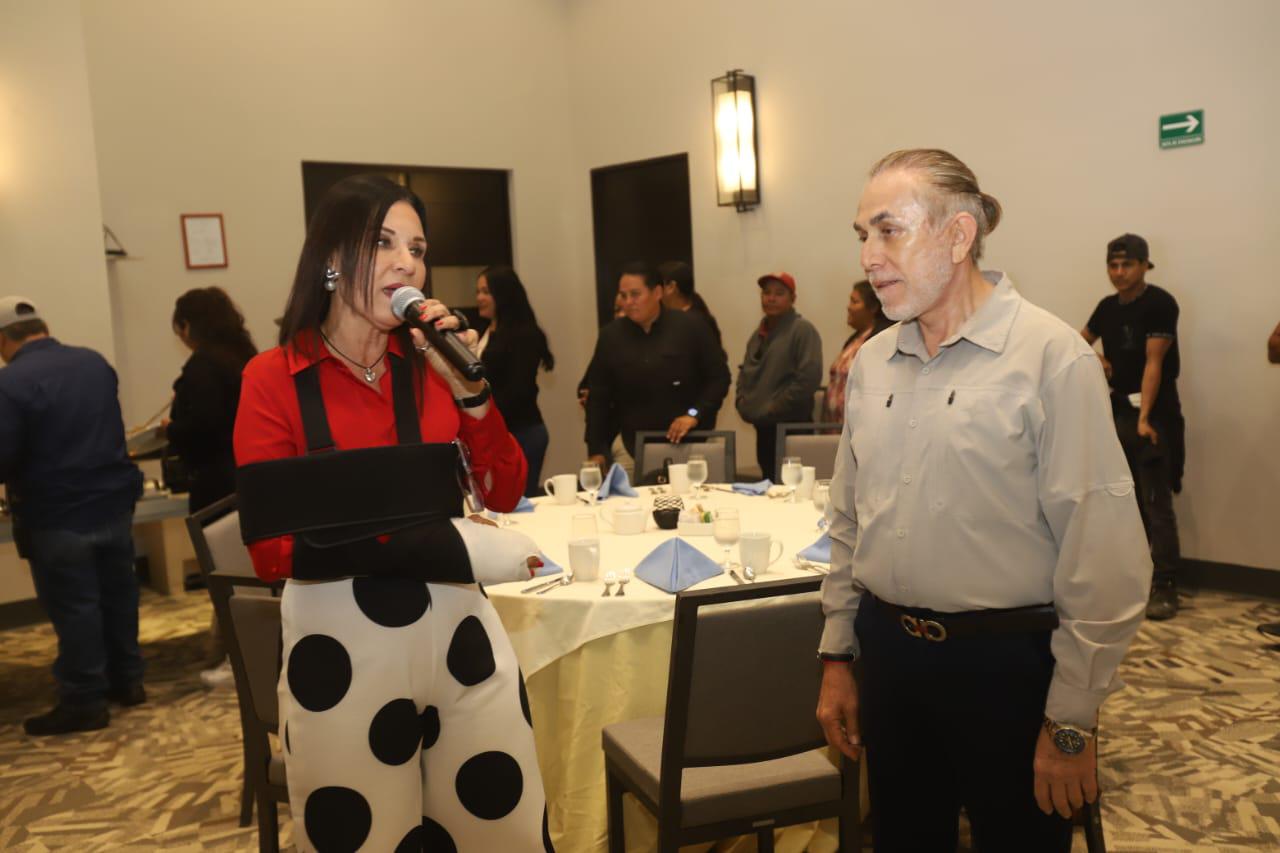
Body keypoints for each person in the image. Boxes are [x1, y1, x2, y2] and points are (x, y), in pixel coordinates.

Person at [815, 149, 1152, 852]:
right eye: (862, 235)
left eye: (888, 230)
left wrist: (1071, 722)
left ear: (958, 235)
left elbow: (1103, 556)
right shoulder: (874, 361)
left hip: (1008, 669)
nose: (869, 256)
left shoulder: (1050, 357)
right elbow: (848, 522)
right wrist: (839, 656)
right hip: (891, 660)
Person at [233, 175, 550, 852]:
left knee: (502, 824)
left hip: (461, 638)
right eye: (383, 243)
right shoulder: (273, 378)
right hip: (339, 651)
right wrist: (441, 539)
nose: (407, 262)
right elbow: (273, 548)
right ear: (330, 258)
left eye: (418, 248)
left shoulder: (434, 368)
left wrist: (470, 395)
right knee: (365, 837)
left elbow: (502, 492)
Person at [0, 296, 146, 735]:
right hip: (113, 504)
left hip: (57, 512)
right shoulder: (94, 363)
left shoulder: (10, 383)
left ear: (4, 340)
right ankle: (128, 681)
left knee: (76, 606)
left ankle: (84, 700)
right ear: (42, 327)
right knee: (119, 597)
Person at [1082, 234, 1184, 620]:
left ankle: (1166, 584)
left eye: (1127, 264)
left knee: (1156, 502)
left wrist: (1144, 420)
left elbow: (1153, 364)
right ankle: (1132, 578)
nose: (1119, 272)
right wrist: (1097, 360)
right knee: (1125, 500)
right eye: (1113, 265)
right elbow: (1077, 342)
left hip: (1154, 414)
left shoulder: (1160, 304)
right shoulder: (1107, 307)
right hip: (1119, 410)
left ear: (1144, 265)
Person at [165, 286, 258, 689]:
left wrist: (172, 430)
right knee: (244, 574)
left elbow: (203, 428)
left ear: (186, 326)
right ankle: (235, 653)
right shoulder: (245, 357)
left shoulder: (202, 367)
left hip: (217, 483)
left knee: (227, 576)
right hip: (249, 476)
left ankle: (238, 658)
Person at [585, 262, 730, 467]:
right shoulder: (611, 336)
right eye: (624, 296)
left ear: (657, 293)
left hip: (692, 444)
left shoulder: (691, 326)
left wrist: (693, 414)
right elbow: (598, 396)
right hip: (633, 446)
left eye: (635, 294)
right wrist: (596, 449)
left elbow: (719, 378)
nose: (629, 302)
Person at [734, 272, 823, 480]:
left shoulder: (802, 330)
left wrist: (773, 408)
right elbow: (744, 371)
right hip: (763, 428)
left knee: (793, 487)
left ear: (793, 299)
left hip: (792, 428)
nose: (771, 298)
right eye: (766, 293)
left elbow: (808, 378)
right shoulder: (758, 334)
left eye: (779, 293)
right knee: (769, 484)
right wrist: (741, 401)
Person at [476, 265, 554, 496]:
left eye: (486, 292)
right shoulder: (487, 330)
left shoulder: (523, 334)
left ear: (503, 294)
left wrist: (483, 416)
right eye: (478, 291)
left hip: (522, 432)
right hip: (499, 432)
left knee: (517, 502)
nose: (479, 298)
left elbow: (520, 390)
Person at [821, 280, 893, 423]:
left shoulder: (881, 341)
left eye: (855, 302)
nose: (848, 307)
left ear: (873, 307)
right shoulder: (854, 339)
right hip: (835, 427)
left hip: (859, 426)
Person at [657, 260, 723, 350]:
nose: (655, 291)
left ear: (671, 287)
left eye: (658, 286)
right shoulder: (666, 318)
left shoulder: (696, 323)